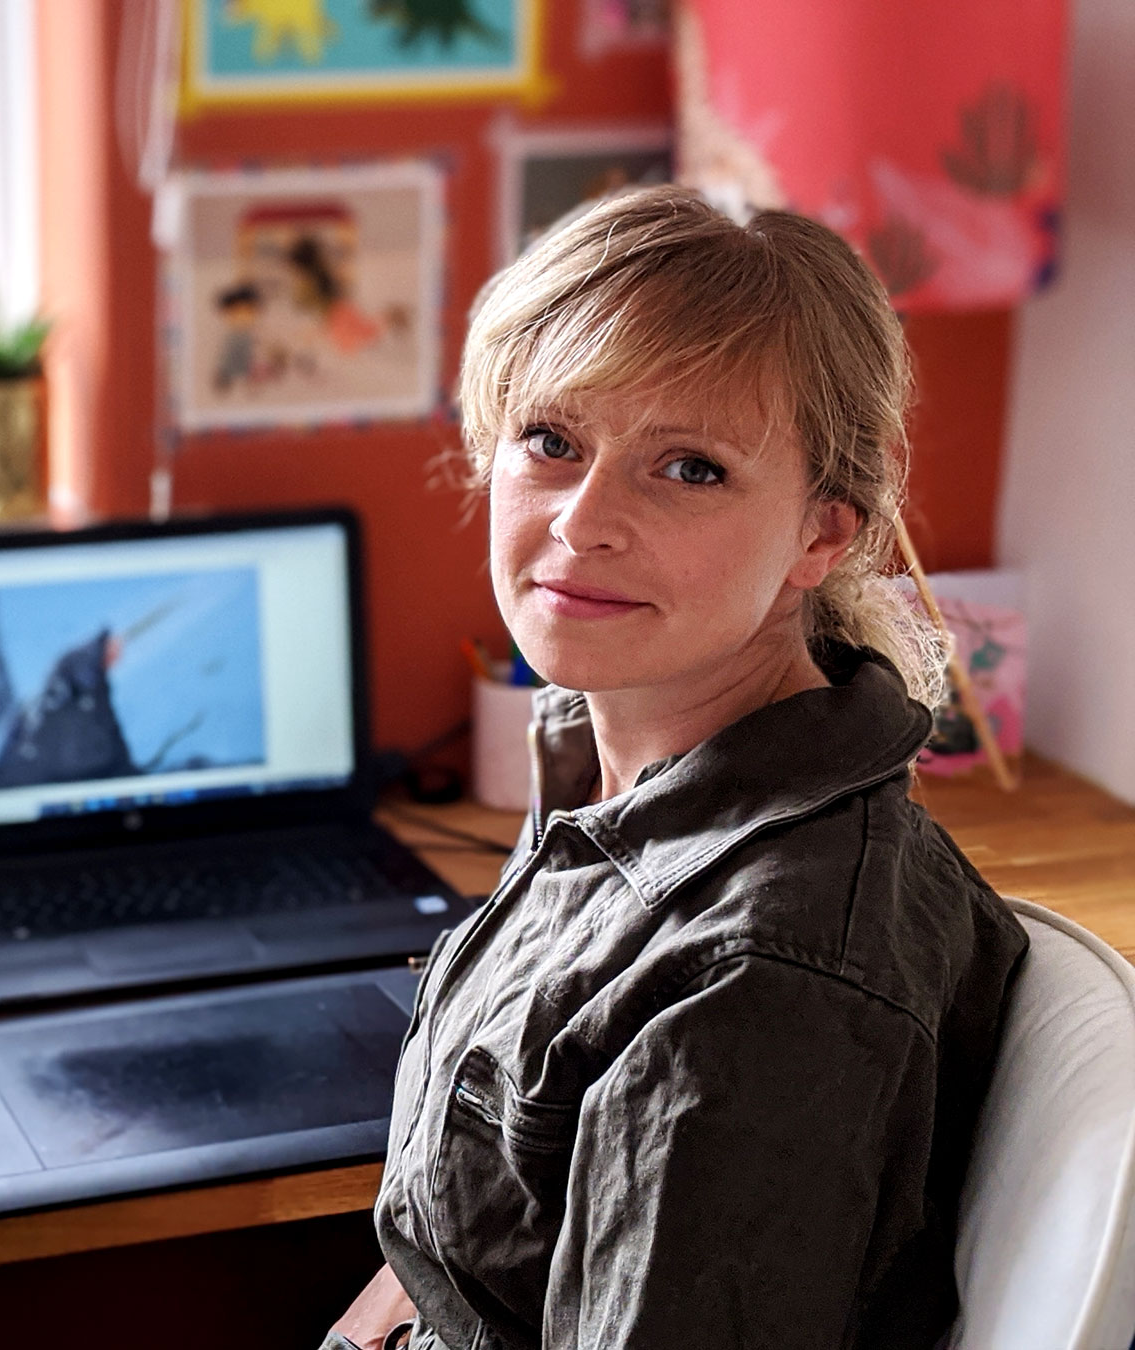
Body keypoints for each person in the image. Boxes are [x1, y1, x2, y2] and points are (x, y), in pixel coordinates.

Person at [323, 186, 1028, 1350]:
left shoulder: (758, 982)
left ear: (823, 533)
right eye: (552, 440)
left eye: (690, 468)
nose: (582, 520)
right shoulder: (614, 765)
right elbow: (447, 1259)